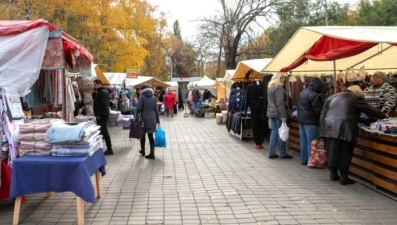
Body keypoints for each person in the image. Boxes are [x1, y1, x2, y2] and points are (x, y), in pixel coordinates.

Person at [319, 85, 388, 185]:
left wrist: (321, 130)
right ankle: (344, 177)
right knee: (345, 152)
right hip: (344, 128)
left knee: (332, 151)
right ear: (357, 92)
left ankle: (333, 174)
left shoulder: (332, 97)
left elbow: (323, 114)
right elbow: (369, 110)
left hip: (328, 127)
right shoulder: (355, 98)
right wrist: (383, 115)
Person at [296, 77, 326, 165]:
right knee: (312, 142)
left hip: (301, 120)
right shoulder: (314, 95)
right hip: (311, 121)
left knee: (304, 141)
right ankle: (311, 160)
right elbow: (318, 110)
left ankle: (304, 159)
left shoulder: (302, 92)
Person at [267, 72, 293, 159]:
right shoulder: (279, 89)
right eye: (283, 78)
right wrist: (284, 115)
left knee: (274, 132)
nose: (284, 80)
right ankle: (283, 153)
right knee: (281, 132)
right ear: (279, 79)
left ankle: (271, 152)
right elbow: (280, 103)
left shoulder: (270, 88)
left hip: (271, 113)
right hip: (278, 113)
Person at [137, 84, 160, 159]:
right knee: (150, 136)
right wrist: (158, 120)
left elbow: (139, 109)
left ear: (143, 90)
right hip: (152, 119)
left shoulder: (141, 97)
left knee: (142, 136)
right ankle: (152, 153)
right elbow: (156, 110)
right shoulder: (153, 97)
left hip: (144, 119)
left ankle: (143, 151)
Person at [93, 79, 113, 155]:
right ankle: (100, 147)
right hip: (101, 115)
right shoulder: (100, 92)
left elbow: (104, 105)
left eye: (95, 85)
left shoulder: (103, 92)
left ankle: (109, 148)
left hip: (102, 115)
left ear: (99, 84)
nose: (94, 87)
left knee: (104, 131)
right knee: (102, 131)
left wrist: (99, 115)